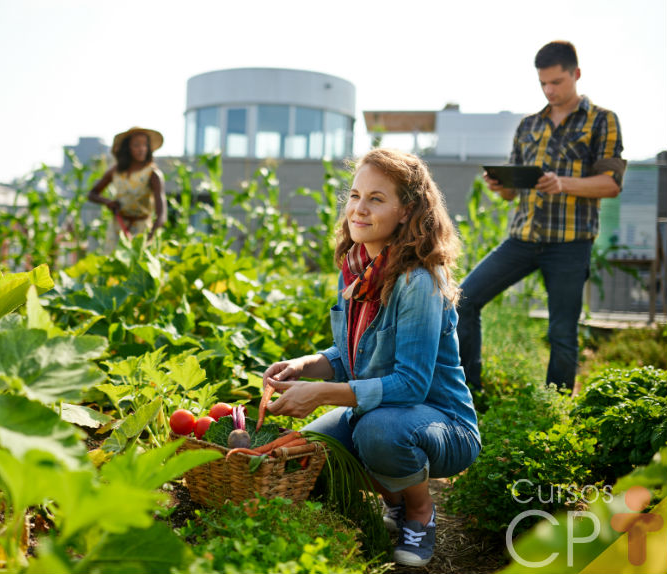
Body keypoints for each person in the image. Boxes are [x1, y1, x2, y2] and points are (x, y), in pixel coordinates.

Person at [262, 148, 481, 567]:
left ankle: (418, 510)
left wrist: (322, 394)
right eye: (355, 196)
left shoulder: (418, 281)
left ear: (407, 211)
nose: (359, 209)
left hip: (441, 422)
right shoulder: (359, 269)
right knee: (311, 453)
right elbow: (353, 354)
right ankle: (394, 495)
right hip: (382, 412)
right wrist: (305, 366)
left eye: (376, 199)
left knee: (377, 433)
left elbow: (411, 385)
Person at [456, 41, 625, 392]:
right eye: (543, 83)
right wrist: (500, 185)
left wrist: (562, 183)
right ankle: (469, 393)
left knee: (562, 332)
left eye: (557, 82)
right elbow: (513, 191)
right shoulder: (528, 126)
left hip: (569, 244)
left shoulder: (602, 121)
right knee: (463, 300)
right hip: (522, 239)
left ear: (576, 74)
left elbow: (610, 184)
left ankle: (556, 406)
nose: (550, 90)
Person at [87, 127, 167, 250]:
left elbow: (161, 214)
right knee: (112, 263)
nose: (142, 149)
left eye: (145, 145)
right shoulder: (116, 171)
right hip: (118, 225)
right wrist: (108, 202)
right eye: (136, 145)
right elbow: (92, 194)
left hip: (142, 229)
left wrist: (151, 235)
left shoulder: (152, 174)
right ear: (127, 148)